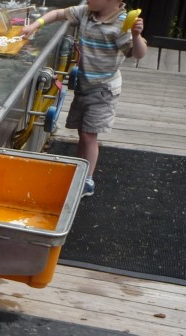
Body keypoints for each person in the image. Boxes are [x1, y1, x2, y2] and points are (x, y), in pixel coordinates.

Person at [22, 0, 148, 197]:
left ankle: (87, 181)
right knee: (83, 132)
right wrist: (34, 25)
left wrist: (136, 35)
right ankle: (79, 170)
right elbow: (57, 14)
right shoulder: (85, 12)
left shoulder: (122, 23)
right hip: (84, 85)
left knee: (90, 135)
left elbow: (138, 54)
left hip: (104, 90)